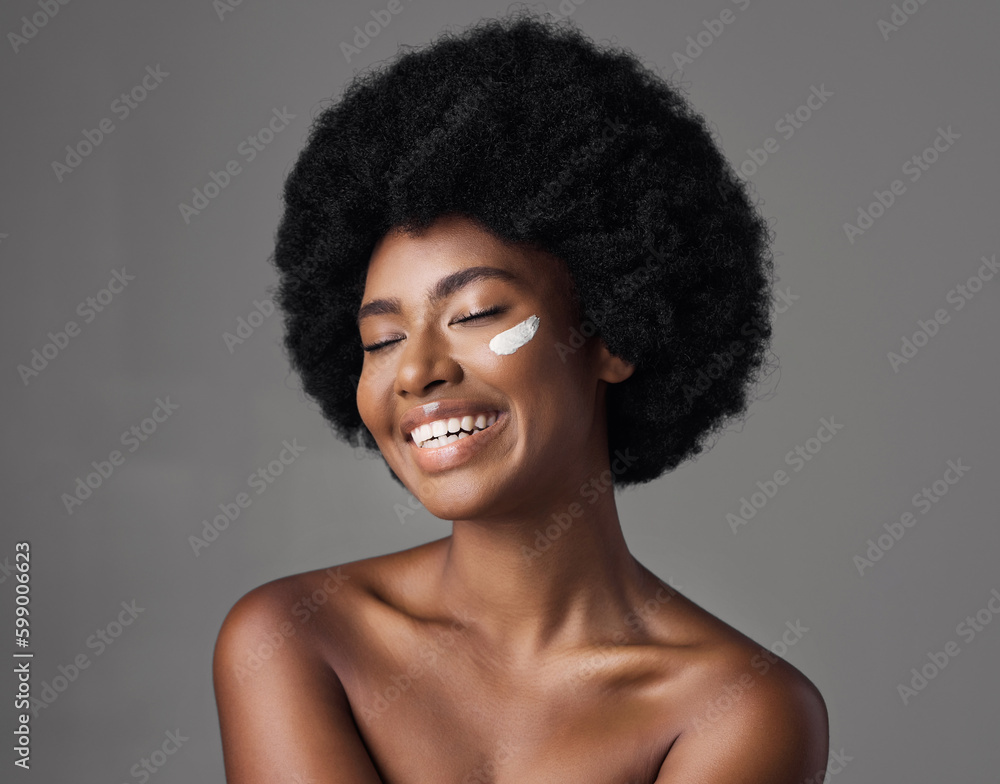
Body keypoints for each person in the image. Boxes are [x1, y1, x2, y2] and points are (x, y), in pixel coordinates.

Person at [212, 10, 828, 783]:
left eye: (475, 314)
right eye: (381, 340)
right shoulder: (294, 638)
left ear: (613, 335)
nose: (416, 372)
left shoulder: (739, 709)